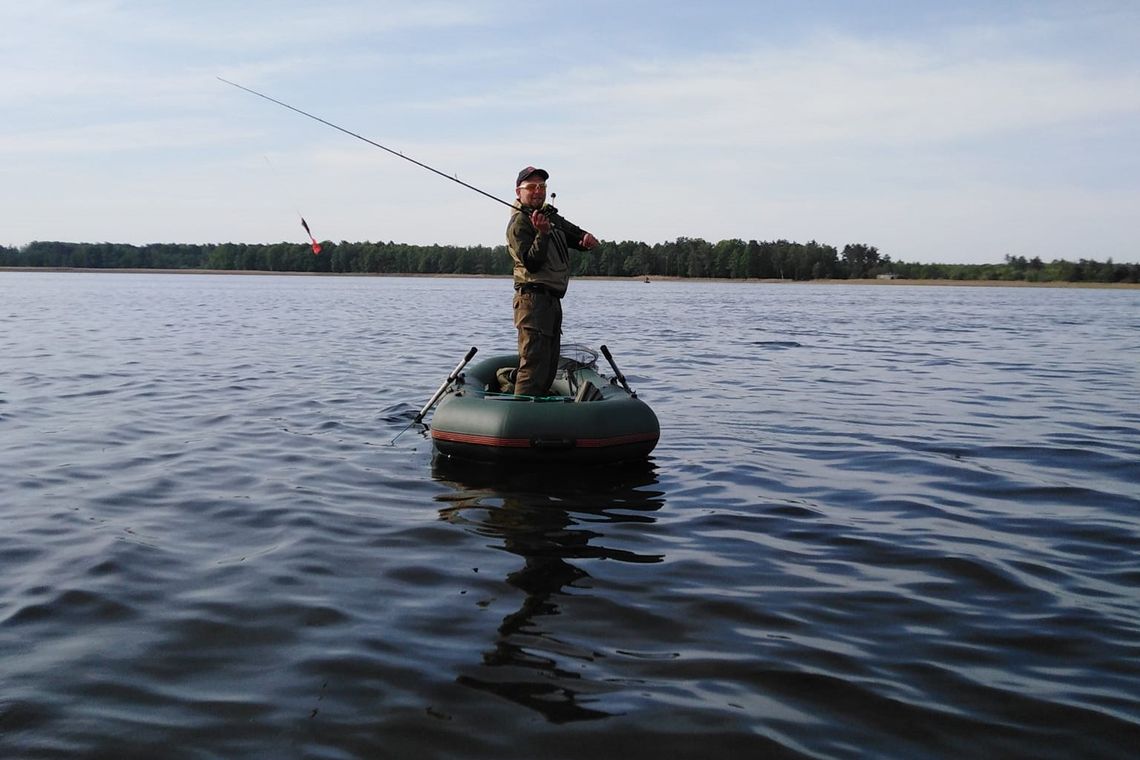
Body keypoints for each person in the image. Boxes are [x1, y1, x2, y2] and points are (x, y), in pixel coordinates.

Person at [506, 166, 599, 396]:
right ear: (519, 192)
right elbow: (531, 262)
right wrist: (543, 233)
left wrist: (585, 239)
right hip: (531, 301)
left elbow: (574, 234)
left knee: (548, 368)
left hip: (551, 302)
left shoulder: (550, 216)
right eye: (531, 187)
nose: (538, 191)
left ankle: (535, 414)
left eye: (542, 187)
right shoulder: (519, 223)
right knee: (533, 366)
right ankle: (519, 416)